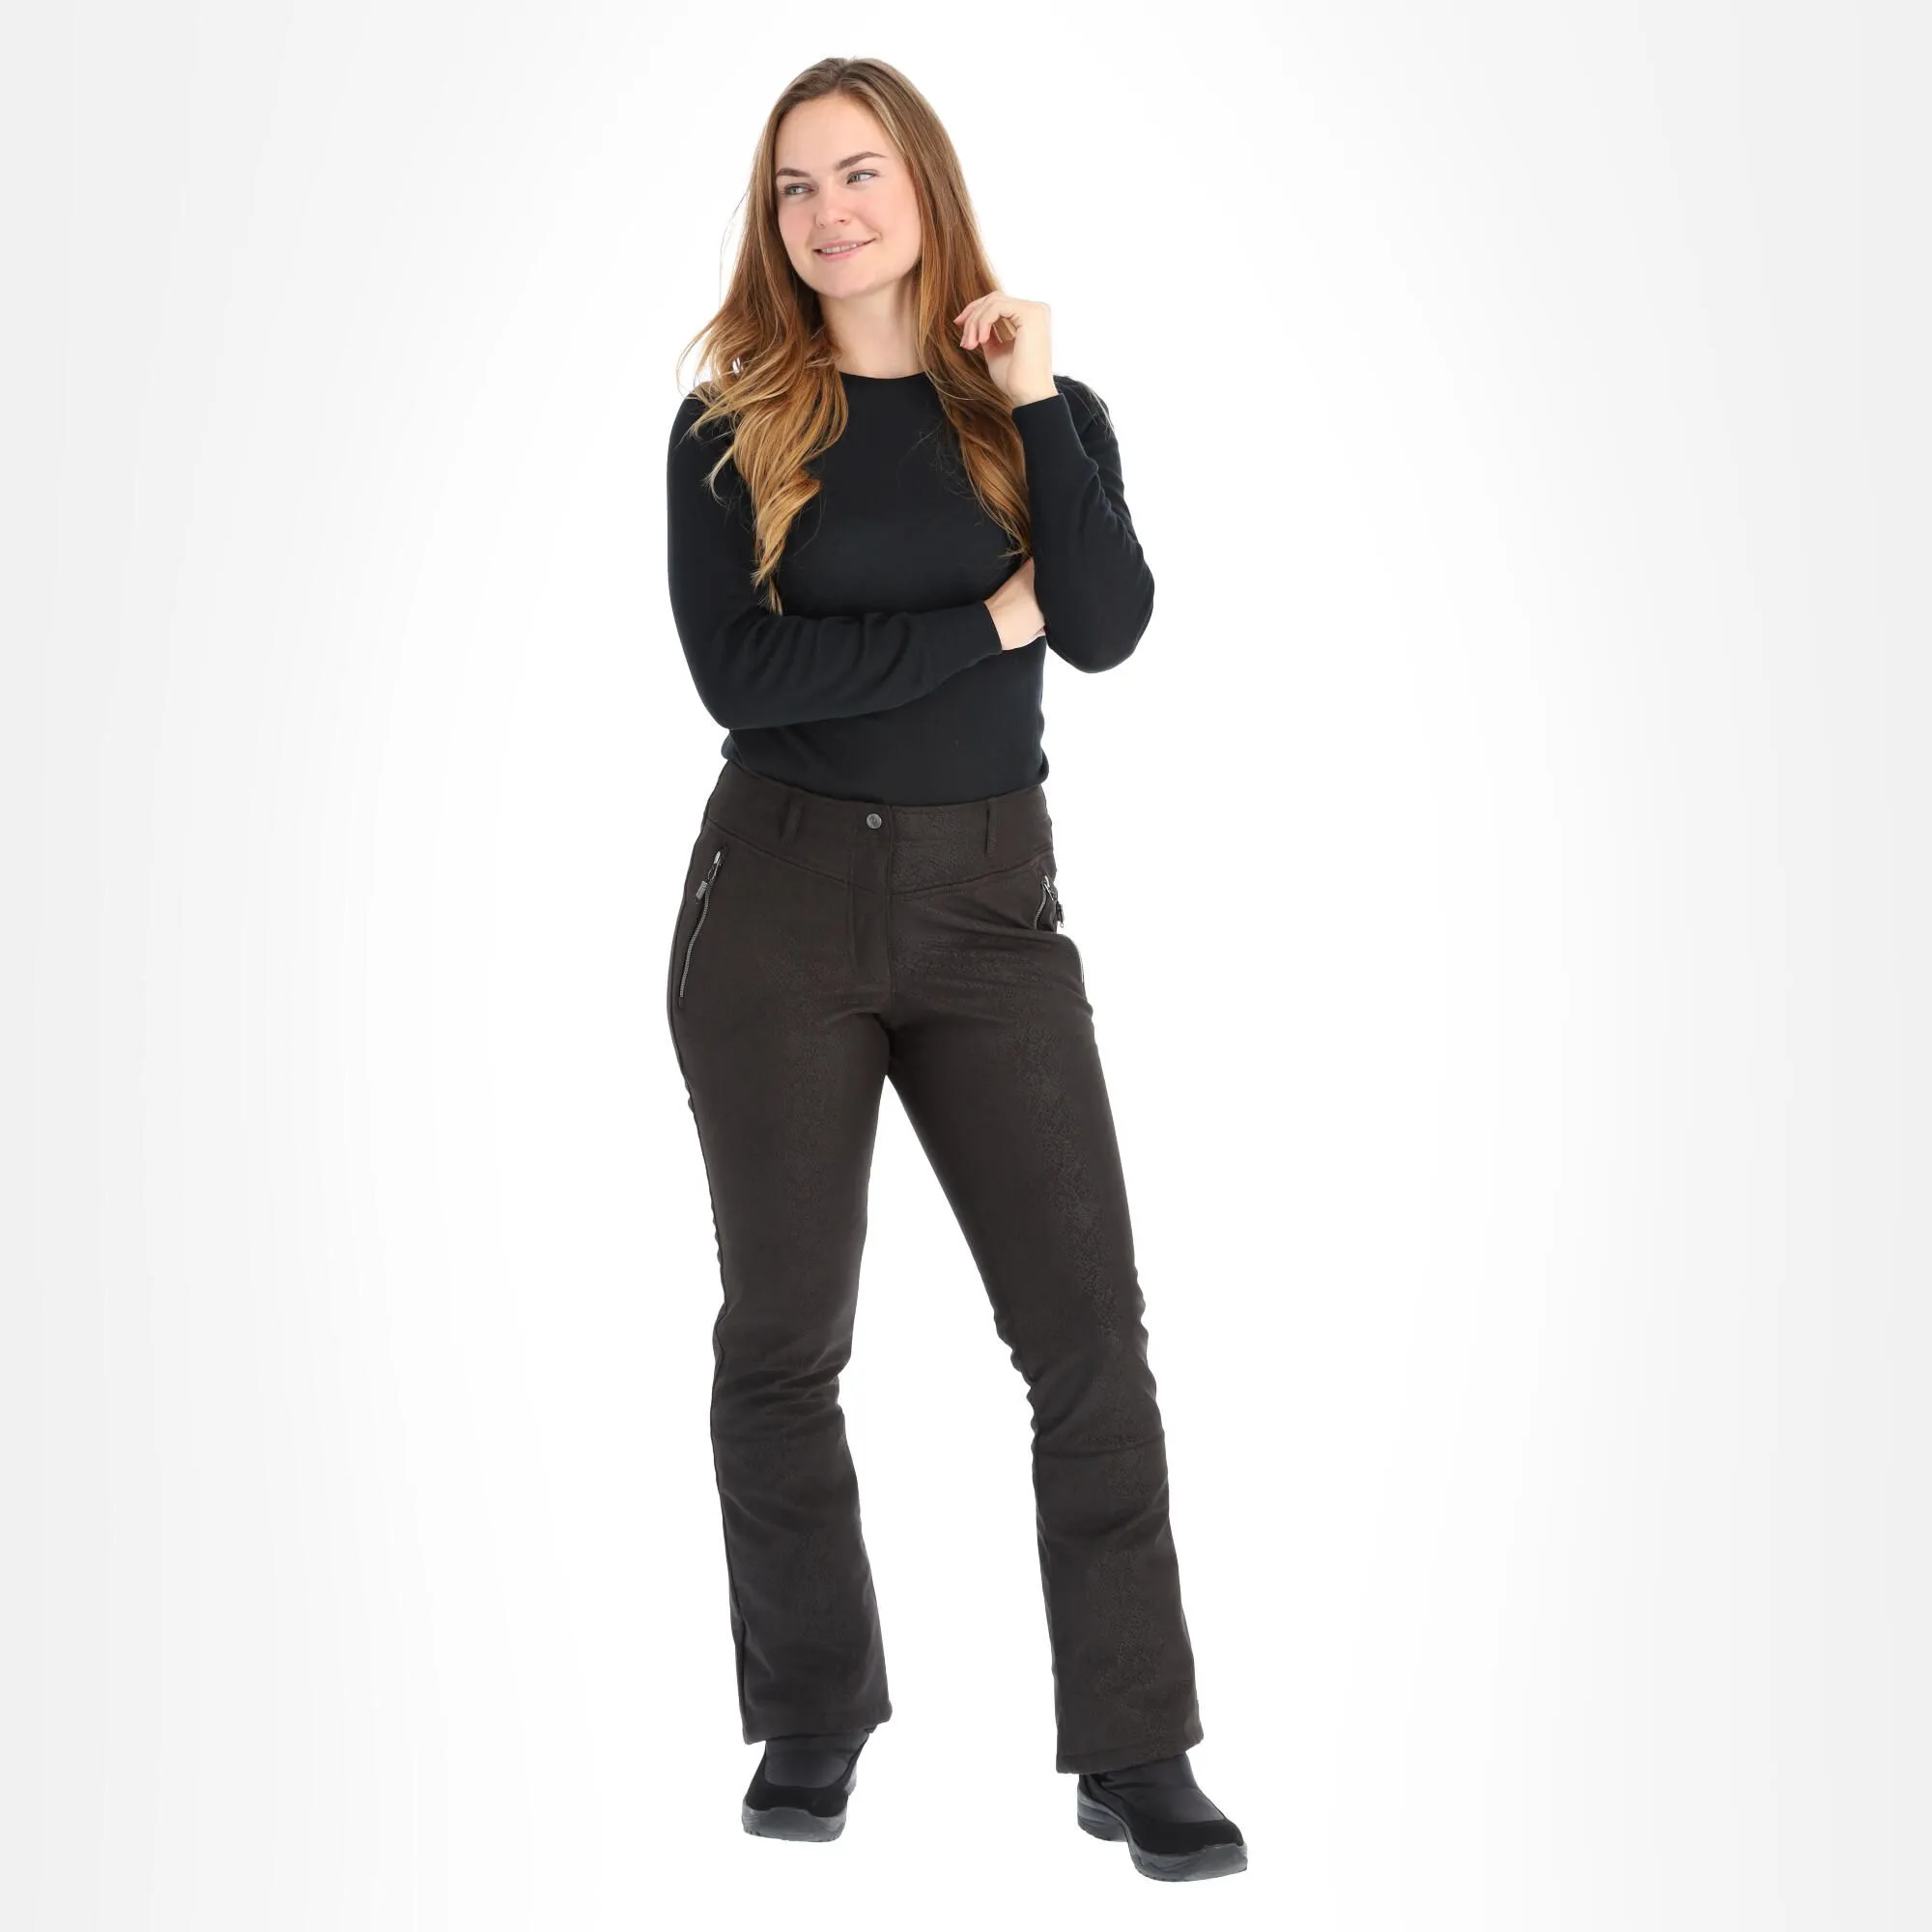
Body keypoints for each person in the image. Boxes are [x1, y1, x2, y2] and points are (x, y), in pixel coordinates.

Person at [663, 58, 1246, 1883]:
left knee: (1088, 1339)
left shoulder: (1034, 416)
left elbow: (1110, 626)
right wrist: (987, 620)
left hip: (993, 908)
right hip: (775, 906)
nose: (828, 213)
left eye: (858, 173)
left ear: (922, 183)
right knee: (784, 1337)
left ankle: (1135, 1749)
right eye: (794, 189)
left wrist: (1040, 396)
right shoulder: (733, 424)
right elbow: (744, 680)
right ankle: (812, 1714)